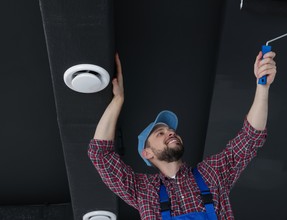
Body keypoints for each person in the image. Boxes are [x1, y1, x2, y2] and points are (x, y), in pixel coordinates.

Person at [88, 50, 277, 219]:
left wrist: (263, 88)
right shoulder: (143, 191)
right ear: (147, 153)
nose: (170, 132)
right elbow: (100, 155)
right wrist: (118, 99)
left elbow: (250, 137)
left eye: (171, 130)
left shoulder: (212, 173)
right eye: (160, 133)